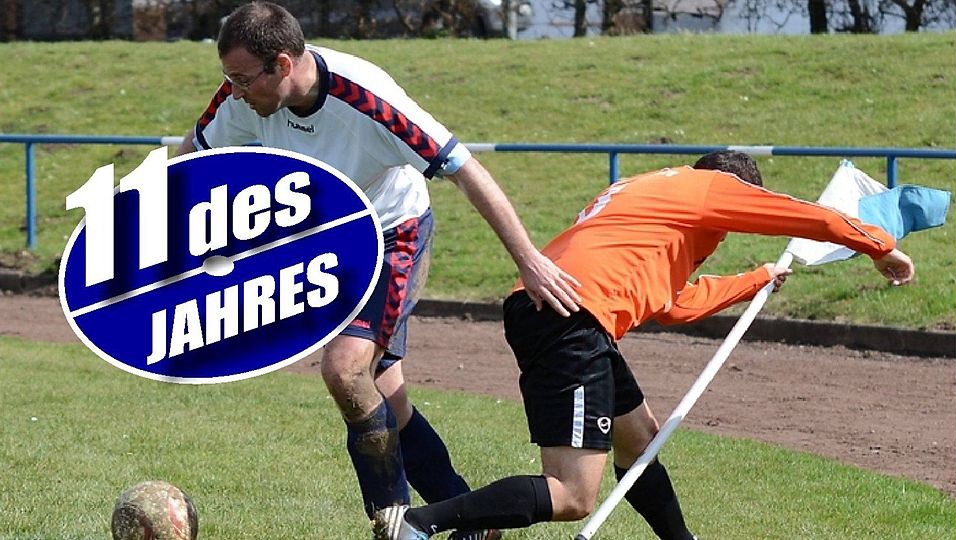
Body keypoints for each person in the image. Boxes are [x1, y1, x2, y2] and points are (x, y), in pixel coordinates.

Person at [173, 3, 581, 539]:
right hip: (330, 238)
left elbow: (465, 169)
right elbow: (189, 159)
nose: (235, 91)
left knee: (345, 371)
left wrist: (529, 260)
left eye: (244, 79)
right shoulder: (241, 97)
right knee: (386, 396)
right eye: (230, 78)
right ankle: (472, 521)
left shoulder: (367, 100)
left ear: (283, 64)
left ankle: (396, 522)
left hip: (393, 234)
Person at [372, 150, 915, 540]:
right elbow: (805, 215)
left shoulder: (644, 192)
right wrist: (879, 246)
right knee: (573, 495)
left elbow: (672, 303)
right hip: (572, 320)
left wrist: (756, 280)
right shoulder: (711, 189)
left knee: (640, 440)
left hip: (561, 310)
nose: (721, 236)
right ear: (735, 189)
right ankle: (419, 523)